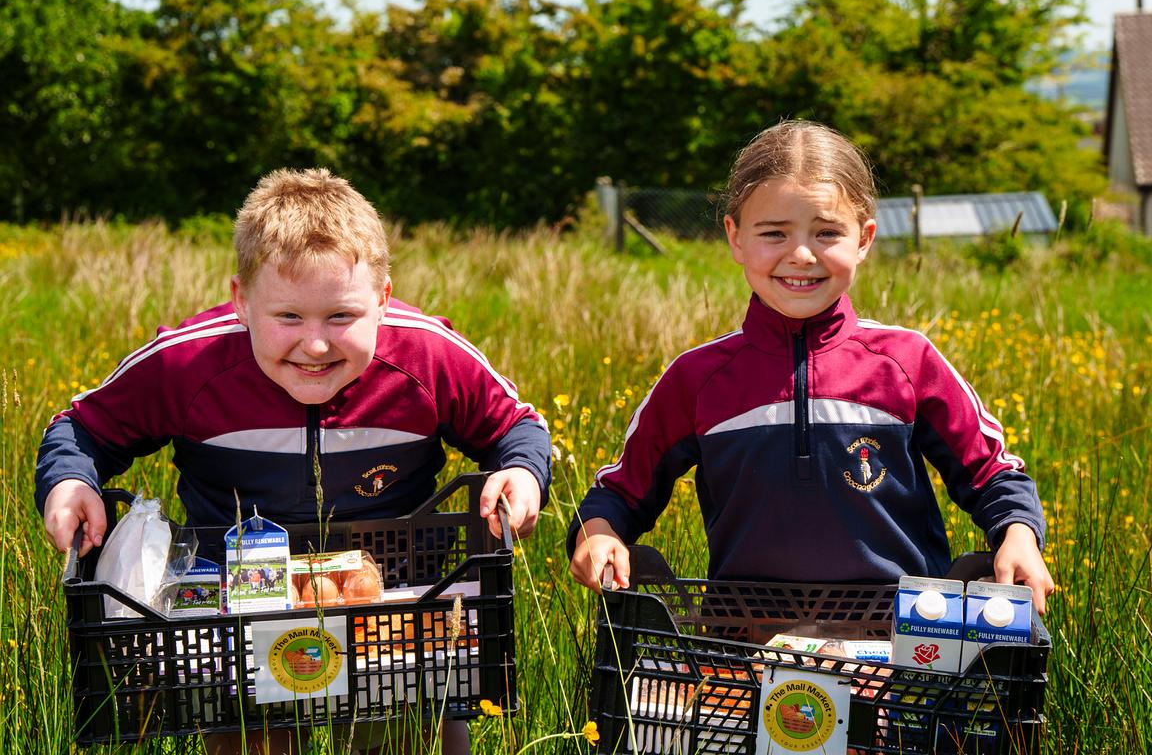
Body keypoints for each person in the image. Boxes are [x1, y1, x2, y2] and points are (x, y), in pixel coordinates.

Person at [36, 167, 552, 754]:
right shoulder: (189, 363)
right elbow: (82, 427)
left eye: (341, 317)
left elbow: (516, 425)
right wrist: (70, 482)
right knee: (251, 738)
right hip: (231, 618)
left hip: (397, 611)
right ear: (241, 302)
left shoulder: (427, 357)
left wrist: (520, 472)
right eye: (287, 318)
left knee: (417, 734)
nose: (315, 344)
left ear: (382, 300)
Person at [568, 120, 1054, 615]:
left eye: (827, 233)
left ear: (864, 239)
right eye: (774, 233)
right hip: (744, 650)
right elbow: (621, 491)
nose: (801, 255)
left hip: (903, 650)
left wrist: (1018, 535)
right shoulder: (698, 378)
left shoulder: (907, 361)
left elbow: (992, 473)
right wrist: (600, 531)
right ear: (735, 238)